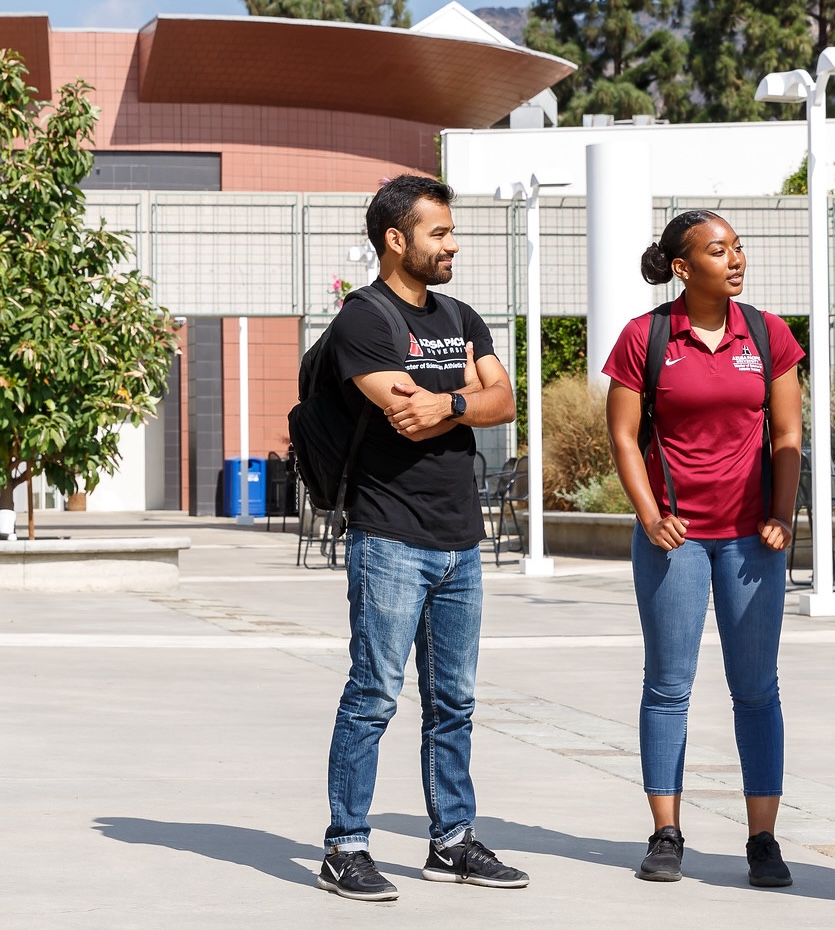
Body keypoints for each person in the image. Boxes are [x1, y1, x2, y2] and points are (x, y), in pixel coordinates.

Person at [316, 175, 523, 902]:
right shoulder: (363, 321)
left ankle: (451, 841)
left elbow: (504, 400)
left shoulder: (461, 316)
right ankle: (344, 845)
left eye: (450, 231)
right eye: (438, 233)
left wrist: (454, 401)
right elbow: (404, 414)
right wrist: (459, 401)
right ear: (395, 240)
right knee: (373, 694)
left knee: (453, 702)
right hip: (391, 537)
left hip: (459, 538)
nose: (452, 244)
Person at [600, 210, 804, 888]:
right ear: (683, 268)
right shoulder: (645, 337)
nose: (735, 260)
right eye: (719, 251)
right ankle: (665, 833)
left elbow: (786, 434)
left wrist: (781, 516)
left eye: (738, 248)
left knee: (756, 691)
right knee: (667, 687)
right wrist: (650, 514)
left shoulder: (768, 334)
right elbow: (625, 436)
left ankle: (763, 842)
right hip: (676, 540)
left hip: (751, 542)